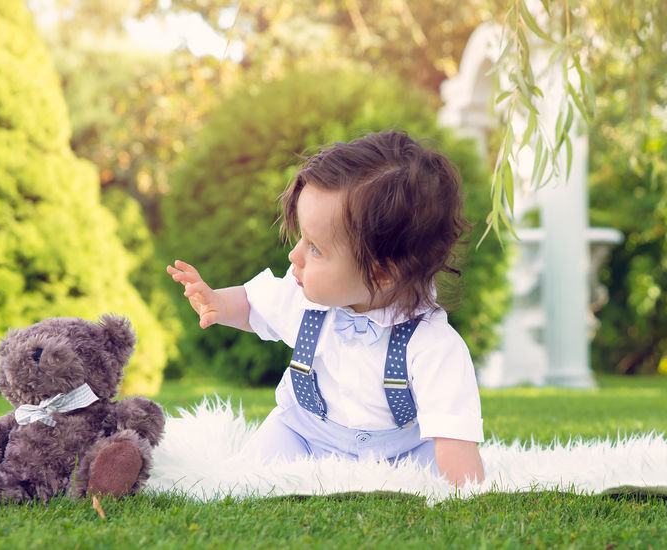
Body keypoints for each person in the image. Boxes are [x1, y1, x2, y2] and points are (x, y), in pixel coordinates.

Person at [167, 130, 485, 487]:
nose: (294, 256)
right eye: (301, 238)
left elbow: (453, 437)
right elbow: (256, 304)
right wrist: (219, 302)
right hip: (304, 433)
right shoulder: (301, 298)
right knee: (249, 479)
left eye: (314, 249)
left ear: (381, 273)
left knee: (430, 469)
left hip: (400, 450)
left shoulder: (432, 344)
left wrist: (466, 496)